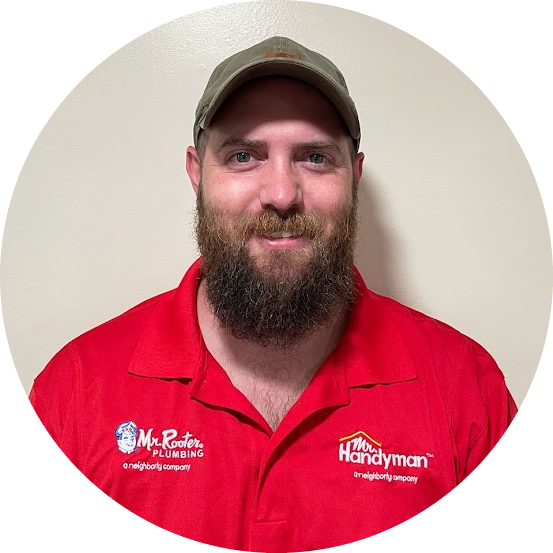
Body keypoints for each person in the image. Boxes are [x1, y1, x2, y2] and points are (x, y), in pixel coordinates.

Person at [28, 36, 533, 552]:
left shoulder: (467, 389)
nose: (282, 194)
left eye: (315, 158)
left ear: (355, 177)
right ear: (197, 173)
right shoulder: (76, 391)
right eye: (243, 156)